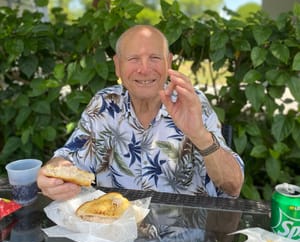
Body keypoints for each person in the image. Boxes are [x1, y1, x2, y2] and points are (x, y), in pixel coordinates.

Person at [37, 24, 244, 201]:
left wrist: (200, 135)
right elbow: (68, 159)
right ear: (118, 66)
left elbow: (232, 186)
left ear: (168, 62)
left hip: (182, 241)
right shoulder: (104, 104)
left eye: (154, 57)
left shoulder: (191, 101)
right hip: (112, 234)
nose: (144, 69)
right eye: (134, 59)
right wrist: (52, 174)